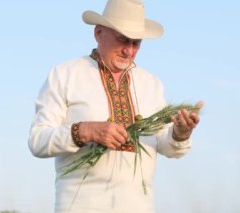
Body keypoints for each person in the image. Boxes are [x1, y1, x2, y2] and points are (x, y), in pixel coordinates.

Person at [28, 0, 202, 212]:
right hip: (79, 206)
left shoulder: (151, 84)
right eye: (122, 40)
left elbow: (166, 146)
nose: (129, 51)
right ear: (99, 33)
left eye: (136, 43)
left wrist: (180, 134)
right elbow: (37, 140)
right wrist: (85, 131)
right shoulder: (65, 74)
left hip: (139, 206)